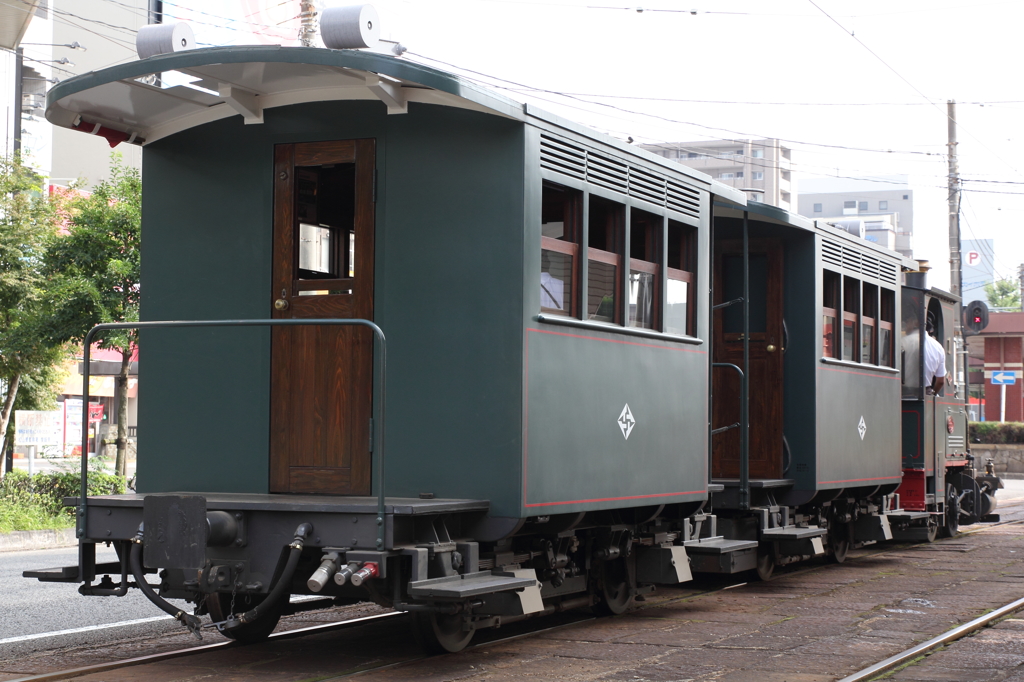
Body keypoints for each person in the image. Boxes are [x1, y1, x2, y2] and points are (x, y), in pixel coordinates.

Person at [923, 320, 946, 394]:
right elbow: (940, 381)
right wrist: (933, 394)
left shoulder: (903, 341)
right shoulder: (938, 347)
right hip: (926, 391)